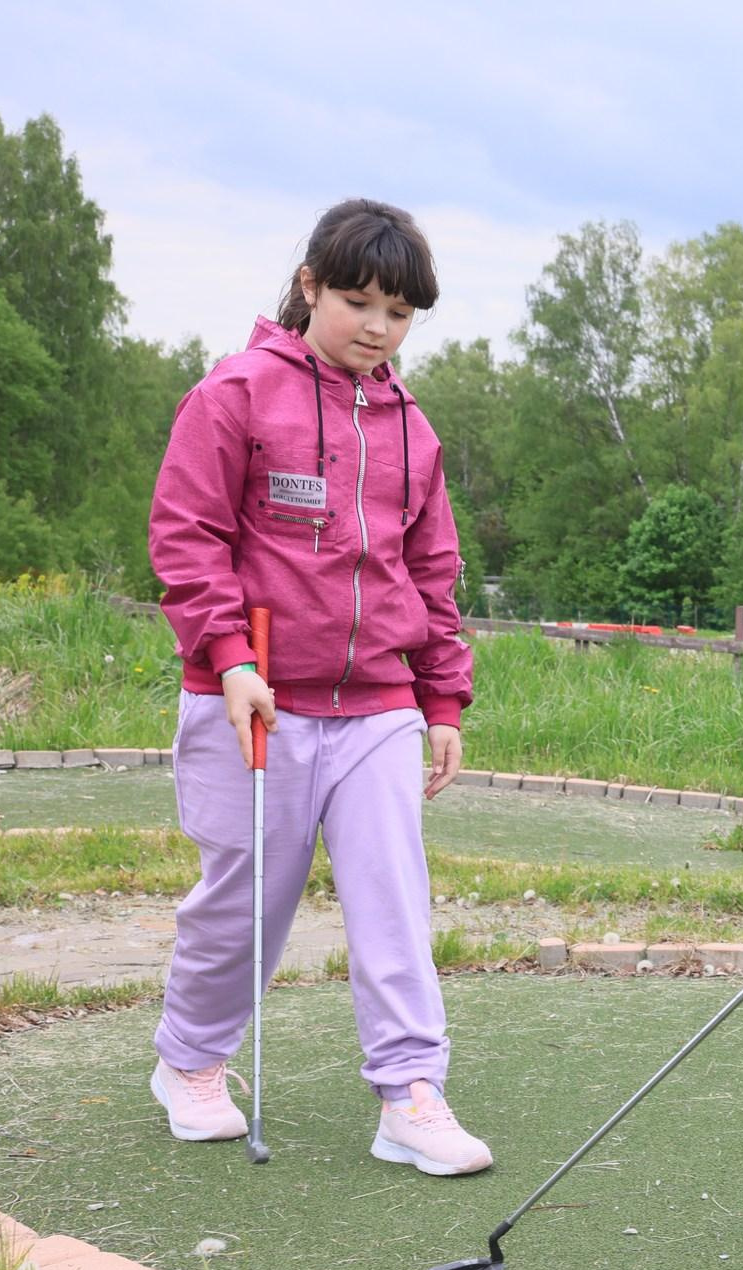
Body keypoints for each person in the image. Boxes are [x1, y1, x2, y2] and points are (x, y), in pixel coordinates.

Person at [144, 197, 489, 1176]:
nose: (376, 327)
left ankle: (410, 1094)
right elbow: (187, 534)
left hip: (376, 703)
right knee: (248, 897)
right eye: (357, 301)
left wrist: (443, 700)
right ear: (308, 287)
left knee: (394, 894)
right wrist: (233, 657)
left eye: (398, 312)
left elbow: (433, 573)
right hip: (250, 695)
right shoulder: (236, 395)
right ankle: (191, 1063)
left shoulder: (413, 430)